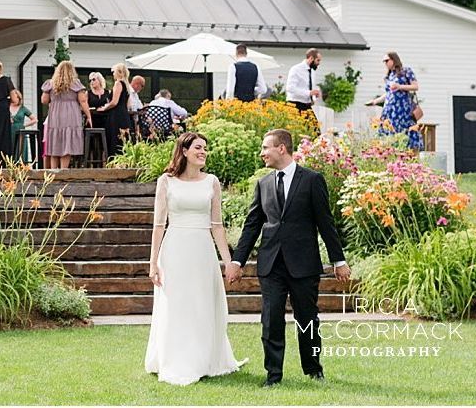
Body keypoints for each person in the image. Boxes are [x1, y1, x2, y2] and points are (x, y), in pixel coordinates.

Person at [227, 128, 350, 387]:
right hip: (271, 265)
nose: (262, 153)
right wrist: (237, 261)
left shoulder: (312, 180)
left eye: (265, 148)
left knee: (307, 319)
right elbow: (252, 225)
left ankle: (313, 369)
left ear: (281, 148)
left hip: (303, 264)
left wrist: (339, 260)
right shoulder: (263, 184)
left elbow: (325, 223)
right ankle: (273, 376)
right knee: (270, 321)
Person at [145, 132, 246, 385]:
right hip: (175, 248)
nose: (203, 151)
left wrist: (228, 262)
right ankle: (175, 359)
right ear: (185, 151)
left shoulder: (211, 181)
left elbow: (217, 226)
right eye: (198, 147)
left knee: (202, 304)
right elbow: (159, 225)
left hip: (202, 250)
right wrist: (153, 263)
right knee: (177, 305)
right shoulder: (166, 181)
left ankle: (203, 359)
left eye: (205, 148)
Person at [40, 60, 92, 170]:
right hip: (71, 114)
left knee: (55, 141)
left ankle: (53, 171)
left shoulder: (50, 83)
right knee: (67, 141)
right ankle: (63, 170)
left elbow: (44, 100)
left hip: (55, 114)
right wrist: (88, 116)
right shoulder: (75, 83)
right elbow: (83, 101)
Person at [368, 52, 422, 149]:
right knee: (387, 130)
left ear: (394, 59)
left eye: (387, 60)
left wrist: (399, 86)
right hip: (389, 110)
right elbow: (389, 93)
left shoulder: (406, 71)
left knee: (403, 130)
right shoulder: (390, 75)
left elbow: (415, 86)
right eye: (384, 61)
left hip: (402, 109)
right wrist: (375, 101)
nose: (385, 63)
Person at [96, 63, 134, 158]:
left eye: (114, 72)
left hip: (116, 115)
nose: (113, 74)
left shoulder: (118, 83)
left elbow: (114, 102)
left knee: (114, 140)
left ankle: (113, 162)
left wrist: (104, 108)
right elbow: (128, 104)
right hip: (124, 115)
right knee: (123, 141)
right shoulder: (127, 85)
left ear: (119, 72)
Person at [285, 48, 321, 113]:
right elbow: (290, 88)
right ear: (311, 58)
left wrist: (314, 95)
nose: (319, 63)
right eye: (318, 60)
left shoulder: (312, 71)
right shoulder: (296, 69)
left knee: (314, 123)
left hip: (307, 105)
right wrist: (309, 93)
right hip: (294, 105)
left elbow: (309, 89)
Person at [9, 90, 37, 158]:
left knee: (20, 148)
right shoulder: (6, 107)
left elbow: (34, 119)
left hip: (20, 131)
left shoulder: (23, 109)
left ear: (19, 98)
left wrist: (24, 125)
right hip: (9, 131)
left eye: (16, 98)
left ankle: (21, 163)